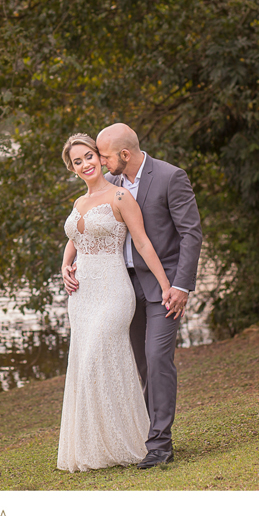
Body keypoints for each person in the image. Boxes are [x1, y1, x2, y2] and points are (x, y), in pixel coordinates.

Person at [62, 123, 202, 469]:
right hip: (117, 284)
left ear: (123, 155)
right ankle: (136, 434)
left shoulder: (170, 177)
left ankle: (160, 444)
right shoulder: (110, 184)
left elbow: (190, 234)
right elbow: (85, 231)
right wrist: (69, 263)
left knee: (157, 359)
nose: (96, 161)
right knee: (139, 365)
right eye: (85, 158)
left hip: (161, 288)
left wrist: (179, 286)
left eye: (101, 156)